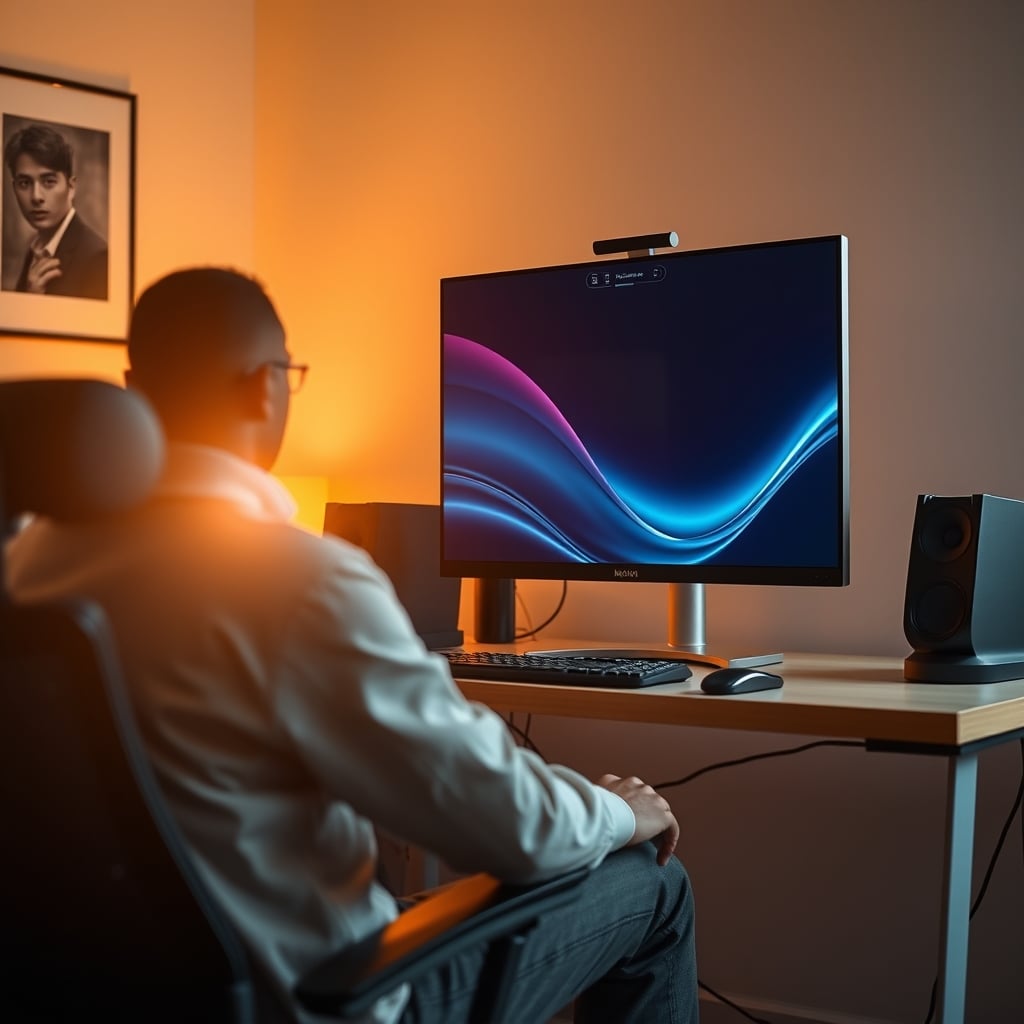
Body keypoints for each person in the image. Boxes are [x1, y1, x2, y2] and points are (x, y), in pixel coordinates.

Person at [5, 267, 698, 1024]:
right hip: (317, 998)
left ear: (138, 385)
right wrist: (618, 809)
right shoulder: (295, 580)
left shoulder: (28, 571)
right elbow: (515, 828)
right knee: (653, 884)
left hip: (108, 995)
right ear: (264, 389)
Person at [2, 122, 108, 300]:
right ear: (14, 188)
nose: (36, 196)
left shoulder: (97, 257)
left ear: (71, 187)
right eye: (24, 183)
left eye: (49, 181)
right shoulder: (37, 249)